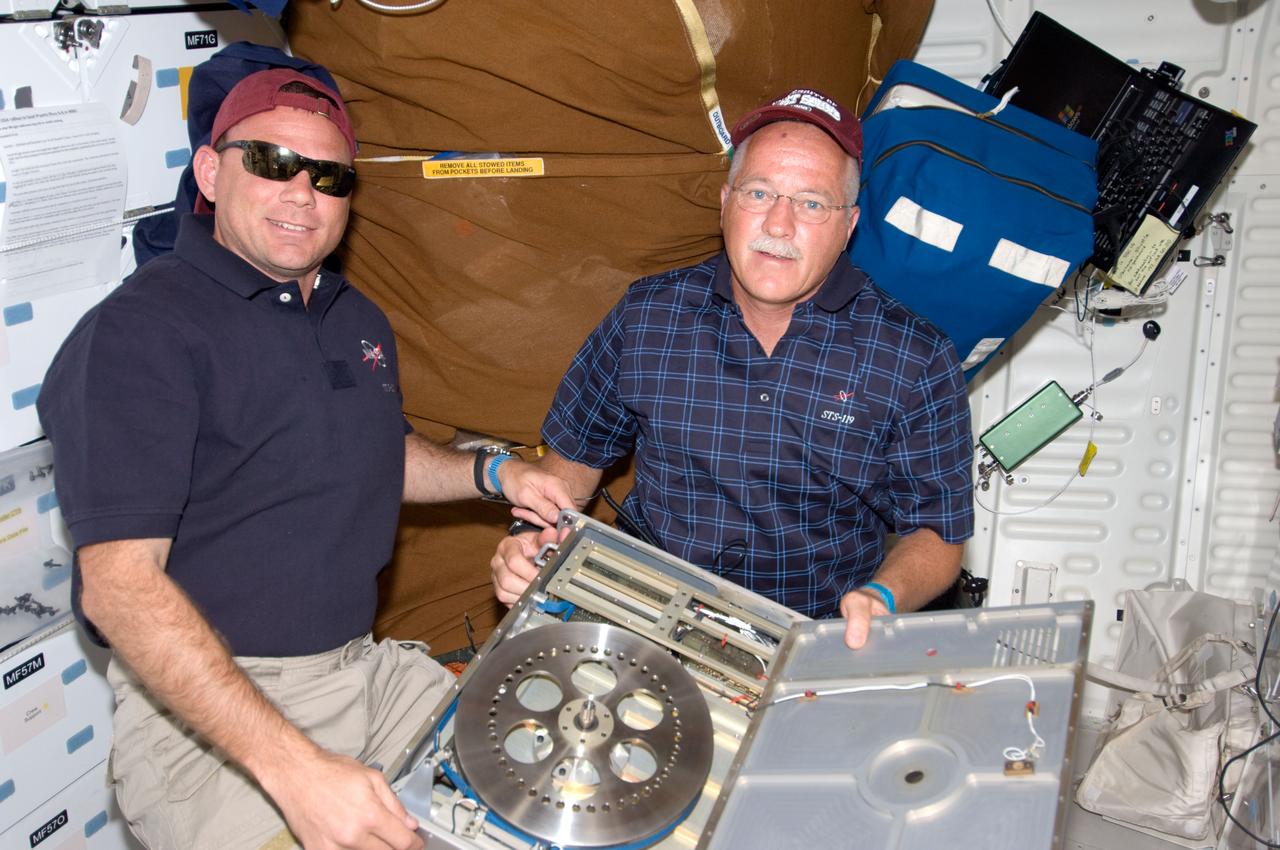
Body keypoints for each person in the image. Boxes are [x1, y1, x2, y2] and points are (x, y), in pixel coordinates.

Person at [37, 69, 574, 850]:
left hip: (365, 675)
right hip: (216, 719)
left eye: (328, 176)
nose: (301, 193)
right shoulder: (137, 334)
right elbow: (119, 589)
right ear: (211, 171)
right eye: (269, 162)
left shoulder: (353, 316)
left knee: (560, 771)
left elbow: (374, 454)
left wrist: (498, 473)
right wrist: (296, 771)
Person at [491, 88, 973, 650]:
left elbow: (937, 531)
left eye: (812, 203)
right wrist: (530, 539)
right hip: (641, 617)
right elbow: (572, 461)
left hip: (810, 639)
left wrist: (881, 597)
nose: (780, 223)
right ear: (725, 202)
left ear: (849, 225)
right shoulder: (649, 315)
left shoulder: (914, 355)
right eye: (759, 192)